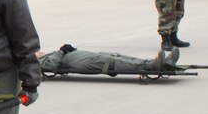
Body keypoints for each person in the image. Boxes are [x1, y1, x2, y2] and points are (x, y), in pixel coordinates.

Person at [38, 44, 181, 75]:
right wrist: (61, 52)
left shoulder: (43, 56)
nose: (38, 51)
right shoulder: (37, 62)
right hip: (87, 62)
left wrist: (65, 50)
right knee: (112, 61)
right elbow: (52, 66)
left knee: (116, 56)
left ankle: (160, 62)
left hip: (90, 57)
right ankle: (151, 66)